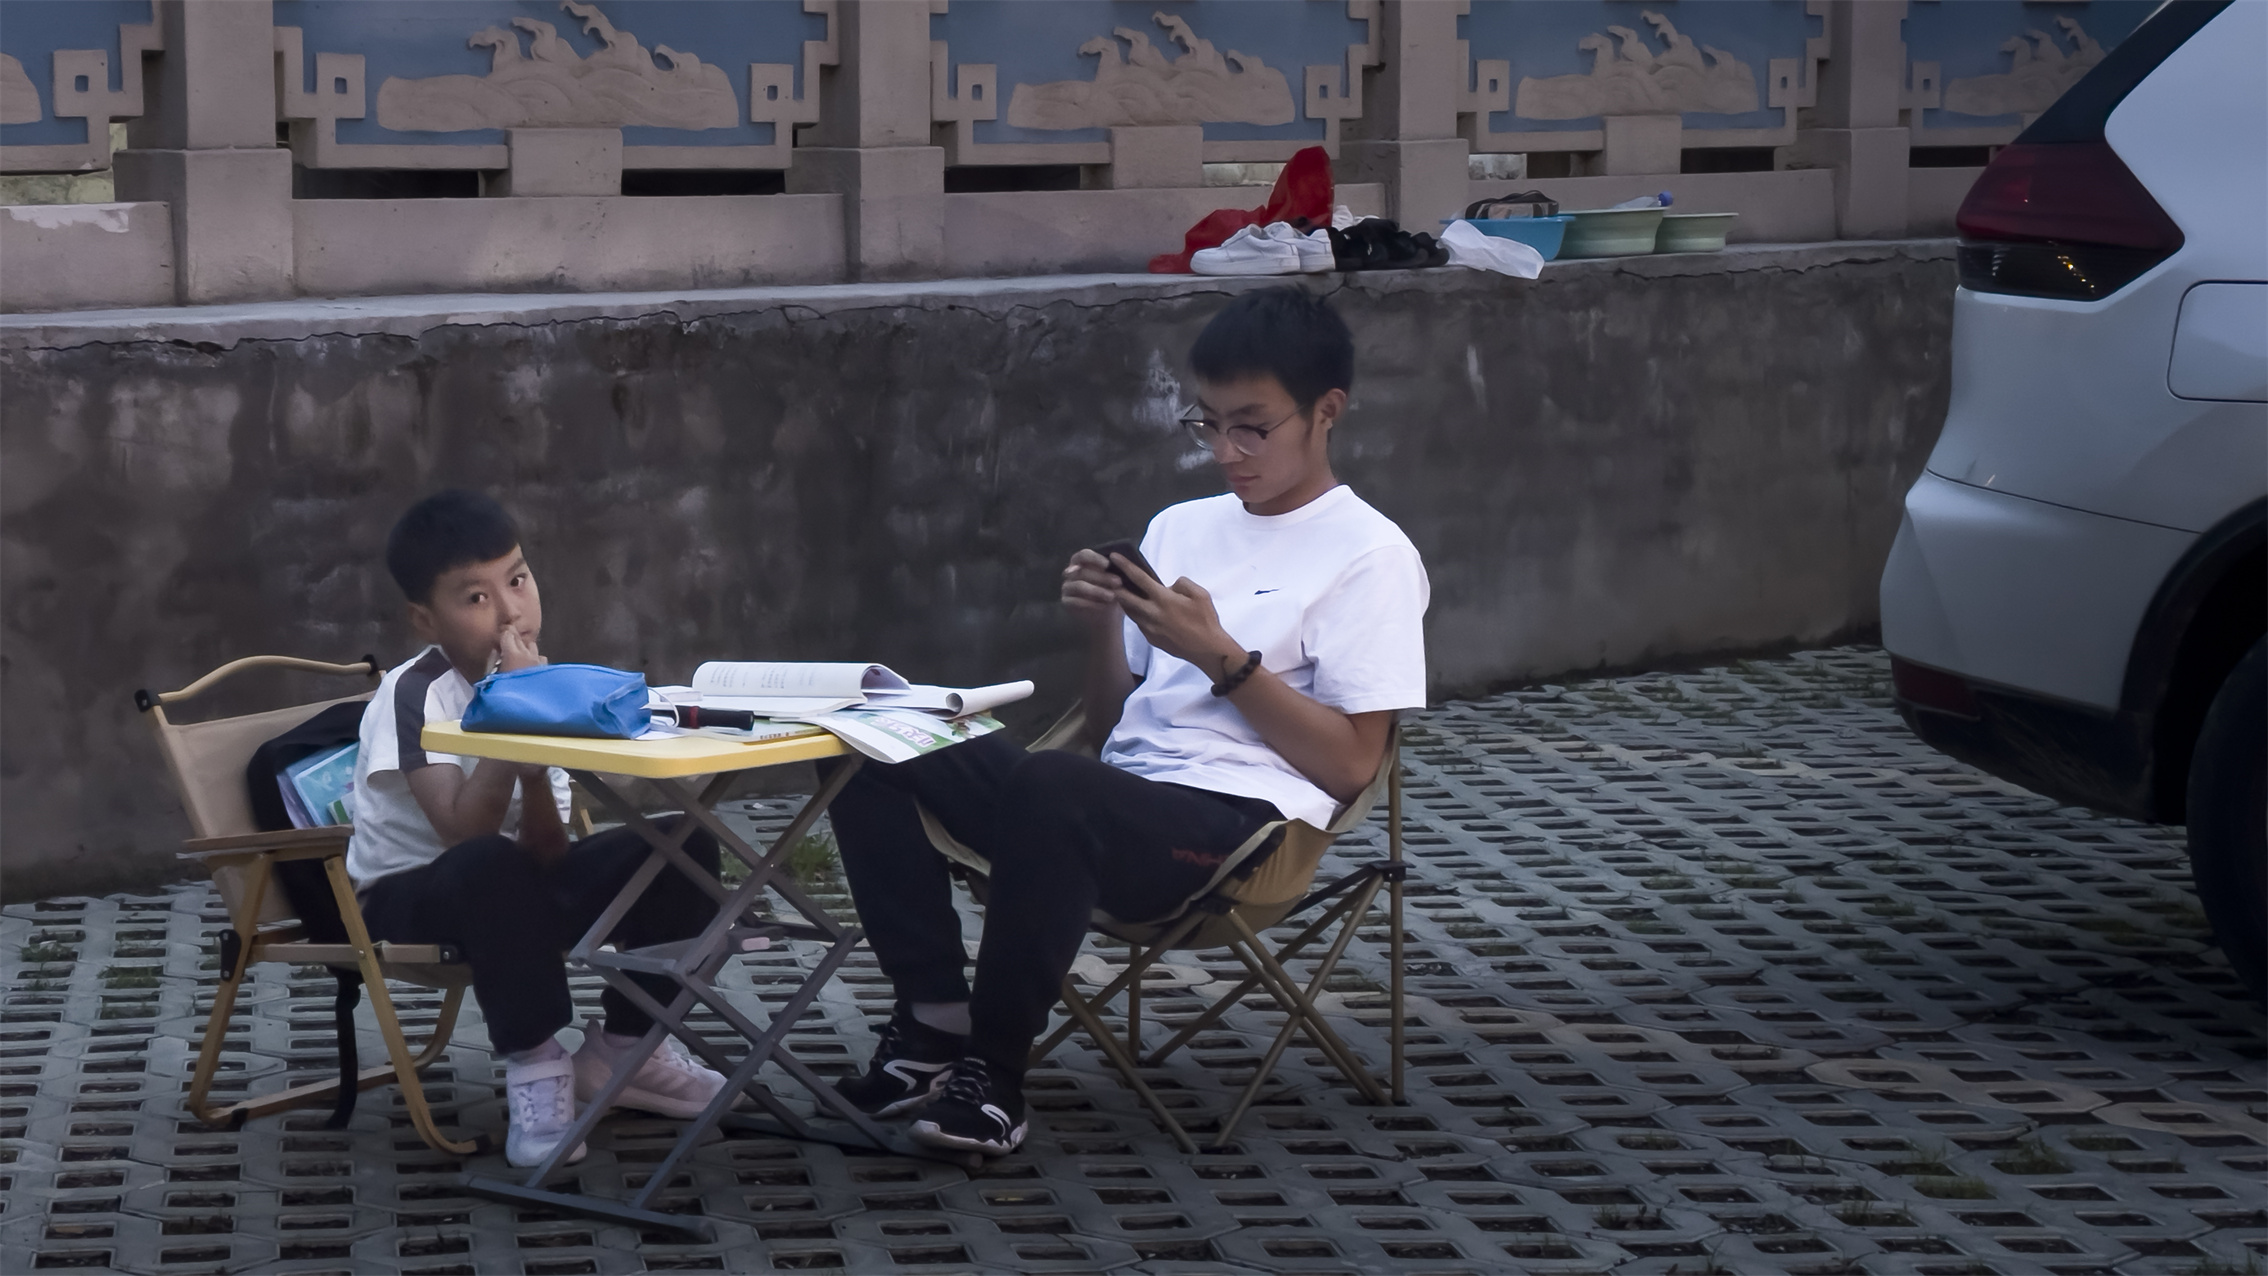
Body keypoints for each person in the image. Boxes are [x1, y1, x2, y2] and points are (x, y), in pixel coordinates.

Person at [828, 287, 1430, 1156]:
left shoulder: (1371, 555)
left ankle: (993, 1080)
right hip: (1111, 801)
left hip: (1238, 836)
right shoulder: (1182, 526)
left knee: (1057, 786)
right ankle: (933, 1025)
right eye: (1209, 423)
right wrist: (1103, 624)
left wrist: (1221, 656)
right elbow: (1114, 727)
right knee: (873, 734)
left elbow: (1350, 767)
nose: (1225, 451)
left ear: (1326, 411)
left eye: (1252, 428)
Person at [347, 490, 732, 1168]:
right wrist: (516, 715)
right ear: (424, 618)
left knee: (682, 846)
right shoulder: (416, 693)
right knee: (487, 864)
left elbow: (547, 855)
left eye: (518, 581)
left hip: (515, 890)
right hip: (411, 899)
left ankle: (627, 1052)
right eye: (476, 598)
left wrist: (532, 770)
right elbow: (463, 835)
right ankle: (537, 1065)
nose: (510, 612)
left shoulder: (544, 686)